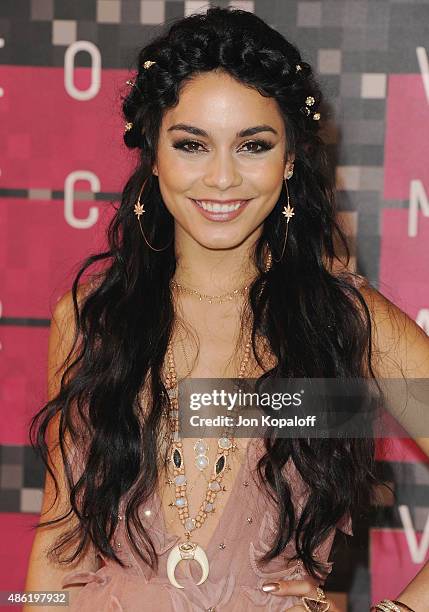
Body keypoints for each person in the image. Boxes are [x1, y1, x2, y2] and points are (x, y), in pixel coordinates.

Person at [24, 7, 429, 612]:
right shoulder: (91, 318)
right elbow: (58, 540)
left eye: (252, 145)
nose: (220, 178)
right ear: (153, 154)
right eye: (192, 144)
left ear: (290, 158)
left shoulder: (343, 322)